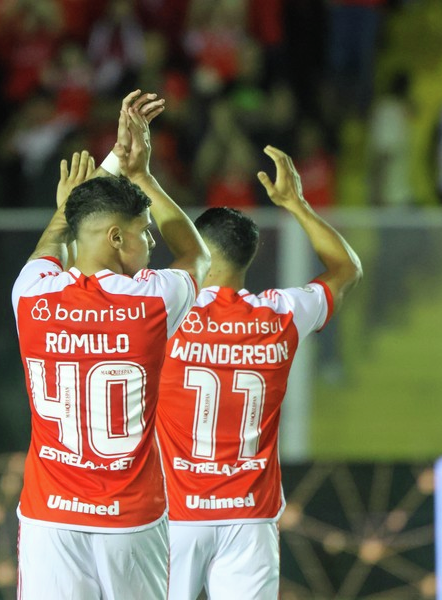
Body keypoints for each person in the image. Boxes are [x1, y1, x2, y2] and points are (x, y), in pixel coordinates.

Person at [11, 90, 210, 600]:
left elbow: (52, 243)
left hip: (51, 518)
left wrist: (75, 203)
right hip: (130, 519)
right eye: (145, 233)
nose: (152, 243)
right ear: (118, 238)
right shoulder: (151, 303)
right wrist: (139, 173)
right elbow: (196, 256)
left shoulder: (31, 296)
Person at [156, 145, 362, 599]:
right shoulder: (280, 314)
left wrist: (139, 177)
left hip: (175, 514)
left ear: (200, 254)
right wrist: (296, 204)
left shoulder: (165, 313)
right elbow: (346, 268)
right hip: (250, 516)